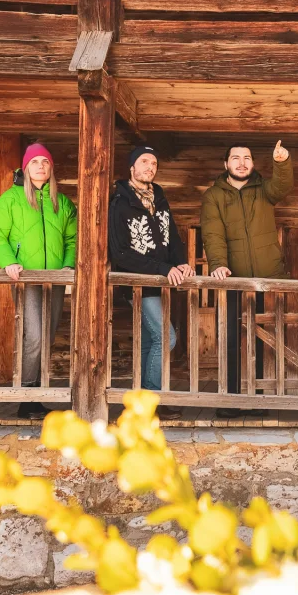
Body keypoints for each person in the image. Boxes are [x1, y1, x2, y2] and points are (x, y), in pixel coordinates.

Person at [200, 141, 294, 414]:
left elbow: (283, 186)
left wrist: (281, 162)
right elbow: (213, 233)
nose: (242, 162)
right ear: (225, 164)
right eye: (235, 158)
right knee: (231, 338)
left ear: (253, 164)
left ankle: (259, 398)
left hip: (266, 277)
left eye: (247, 158)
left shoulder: (264, 189)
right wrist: (218, 264)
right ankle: (231, 400)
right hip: (233, 279)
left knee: (263, 339)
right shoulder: (214, 196)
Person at [0, 143, 77, 420]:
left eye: (45, 162)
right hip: (27, 279)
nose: (41, 166)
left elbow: (72, 239)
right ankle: (27, 399)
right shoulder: (11, 199)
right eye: (35, 162)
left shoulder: (61, 202)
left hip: (55, 280)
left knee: (46, 338)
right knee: (35, 336)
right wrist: (7, 261)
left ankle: (36, 396)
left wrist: (67, 265)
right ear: (26, 168)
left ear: (51, 168)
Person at [108, 145, 195, 417]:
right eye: (144, 161)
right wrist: (162, 267)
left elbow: (173, 238)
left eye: (154, 163)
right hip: (136, 284)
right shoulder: (120, 203)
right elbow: (120, 253)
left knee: (149, 341)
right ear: (131, 167)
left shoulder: (160, 199)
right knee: (167, 337)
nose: (150, 167)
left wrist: (179, 261)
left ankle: (139, 404)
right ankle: (149, 402)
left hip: (159, 282)